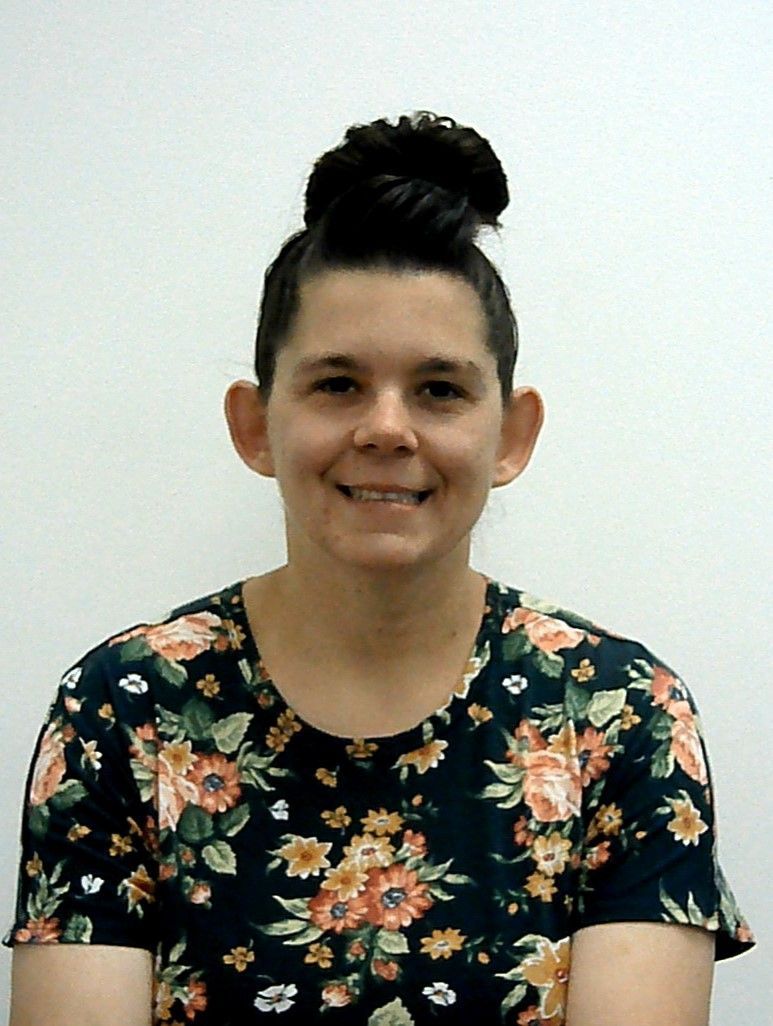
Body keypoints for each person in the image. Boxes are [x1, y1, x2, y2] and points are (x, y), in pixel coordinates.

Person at [6, 110, 754, 1026]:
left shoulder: (619, 713)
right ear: (254, 425)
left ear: (511, 434)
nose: (387, 429)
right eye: (337, 384)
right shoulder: (124, 709)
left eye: (439, 389)